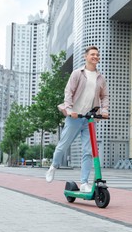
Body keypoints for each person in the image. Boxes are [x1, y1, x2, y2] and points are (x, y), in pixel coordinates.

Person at [45, 46, 109, 193]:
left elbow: (104, 96)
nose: (95, 56)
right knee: (63, 145)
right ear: (86, 57)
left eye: (97, 55)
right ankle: (53, 167)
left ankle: (84, 182)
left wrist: (104, 111)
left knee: (88, 151)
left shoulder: (100, 78)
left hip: (89, 119)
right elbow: (69, 91)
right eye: (92, 54)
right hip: (74, 117)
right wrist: (69, 109)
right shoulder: (77, 73)